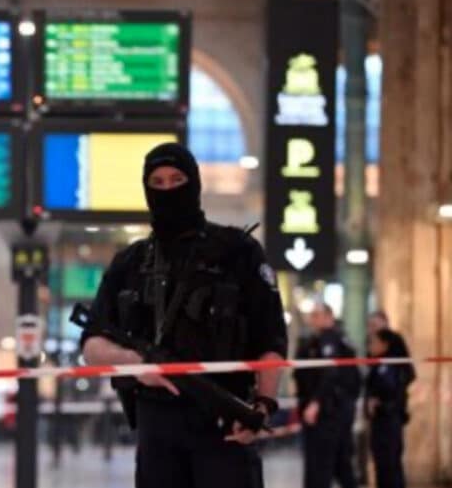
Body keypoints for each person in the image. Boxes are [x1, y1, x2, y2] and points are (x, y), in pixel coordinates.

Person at [80, 142, 287, 488]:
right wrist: (133, 362)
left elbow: (272, 339)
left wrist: (262, 405)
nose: (167, 190)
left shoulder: (239, 252)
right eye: (157, 183)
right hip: (156, 430)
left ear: (194, 183)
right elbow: (91, 345)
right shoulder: (130, 263)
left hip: (225, 422)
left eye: (177, 180)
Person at [293, 303, 361, 488]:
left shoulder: (329, 339)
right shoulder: (330, 339)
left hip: (326, 413)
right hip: (335, 412)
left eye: (316, 315)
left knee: (319, 466)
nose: (312, 319)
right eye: (311, 315)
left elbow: (330, 374)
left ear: (329, 317)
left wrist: (315, 403)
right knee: (341, 465)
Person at [366, 328, 414, 488]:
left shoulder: (391, 367)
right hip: (381, 421)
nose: (370, 346)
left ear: (384, 345)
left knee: (390, 465)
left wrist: (378, 403)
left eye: (374, 342)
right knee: (382, 465)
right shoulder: (378, 365)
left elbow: (393, 393)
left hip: (389, 421)